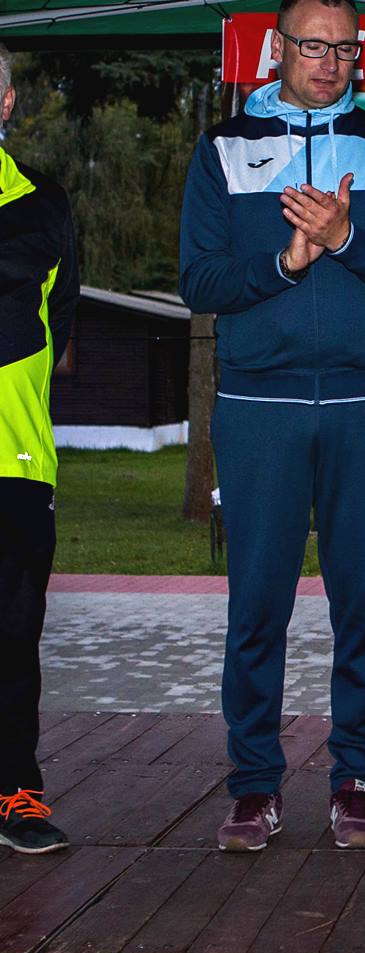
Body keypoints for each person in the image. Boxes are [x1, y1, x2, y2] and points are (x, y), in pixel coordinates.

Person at [179, 0, 365, 852]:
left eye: (345, 49)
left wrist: (346, 235)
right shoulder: (223, 146)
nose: (329, 62)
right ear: (278, 47)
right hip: (260, 405)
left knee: (363, 603)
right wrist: (287, 263)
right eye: (313, 45)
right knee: (257, 606)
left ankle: (356, 780)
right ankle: (254, 785)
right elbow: (200, 282)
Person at [0, 44, 79, 856]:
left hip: (15, 463)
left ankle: (15, 792)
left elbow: (54, 332)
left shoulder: (40, 204)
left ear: (6, 102)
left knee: (13, 642)